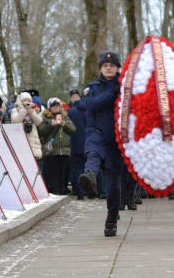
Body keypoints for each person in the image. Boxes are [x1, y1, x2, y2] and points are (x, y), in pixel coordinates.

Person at [78, 51, 123, 237]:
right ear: (100, 68)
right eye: (105, 65)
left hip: (117, 138)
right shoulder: (92, 87)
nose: (109, 68)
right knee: (92, 156)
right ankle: (90, 178)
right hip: (96, 133)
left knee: (114, 183)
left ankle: (111, 219)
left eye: (112, 65)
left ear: (118, 68)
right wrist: (112, 94)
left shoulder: (125, 87)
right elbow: (90, 105)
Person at [38, 97, 76, 195]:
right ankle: (55, 191)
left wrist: (63, 123)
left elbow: (73, 129)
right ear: (49, 108)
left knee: (62, 171)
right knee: (53, 171)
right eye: (54, 106)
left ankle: (62, 189)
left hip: (64, 149)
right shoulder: (45, 117)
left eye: (58, 106)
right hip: (52, 149)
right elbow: (41, 131)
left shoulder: (65, 117)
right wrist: (52, 124)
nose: (56, 108)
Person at [11, 91, 43, 160]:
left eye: (29, 100)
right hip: (20, 141)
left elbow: (38, 122)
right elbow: (15, 122)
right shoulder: (15, 110)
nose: (27, 102)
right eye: (25, 100)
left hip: (33, 142)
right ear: (20, 101)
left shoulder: (32, 110)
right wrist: (23, 111)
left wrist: (31, 112)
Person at [68, 89, 87, 200]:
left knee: (77, 169)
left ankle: (79, 192)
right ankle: (90, 191)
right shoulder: (87, 110)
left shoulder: (70, 112)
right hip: (87, 143)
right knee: (87, 168)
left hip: (76, 144)